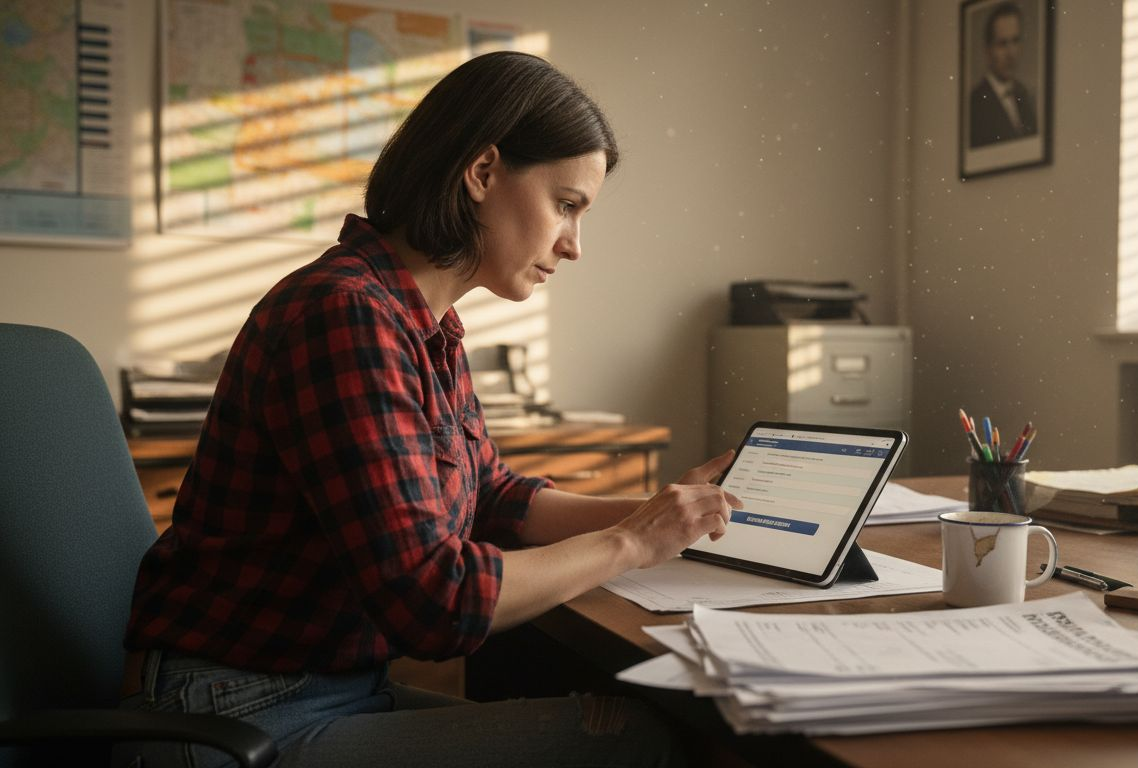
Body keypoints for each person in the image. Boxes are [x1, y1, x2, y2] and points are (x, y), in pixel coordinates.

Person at [117, 51, 739, 768]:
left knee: (642, 719)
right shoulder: (344, 314)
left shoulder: (422, 323)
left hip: (319, 694)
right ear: (481, 173)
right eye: (566, 205)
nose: (573, 246)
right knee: (637, 740)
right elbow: (436, 602)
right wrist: (632, 544)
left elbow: (494, 497)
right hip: (229, 719)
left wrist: (665, 515)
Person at [968, 1, 1037, 148]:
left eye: (1015, 41)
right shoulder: (975, 104)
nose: (1011, 53)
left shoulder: (1025, 95)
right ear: (988, 51)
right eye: (1002, 44)